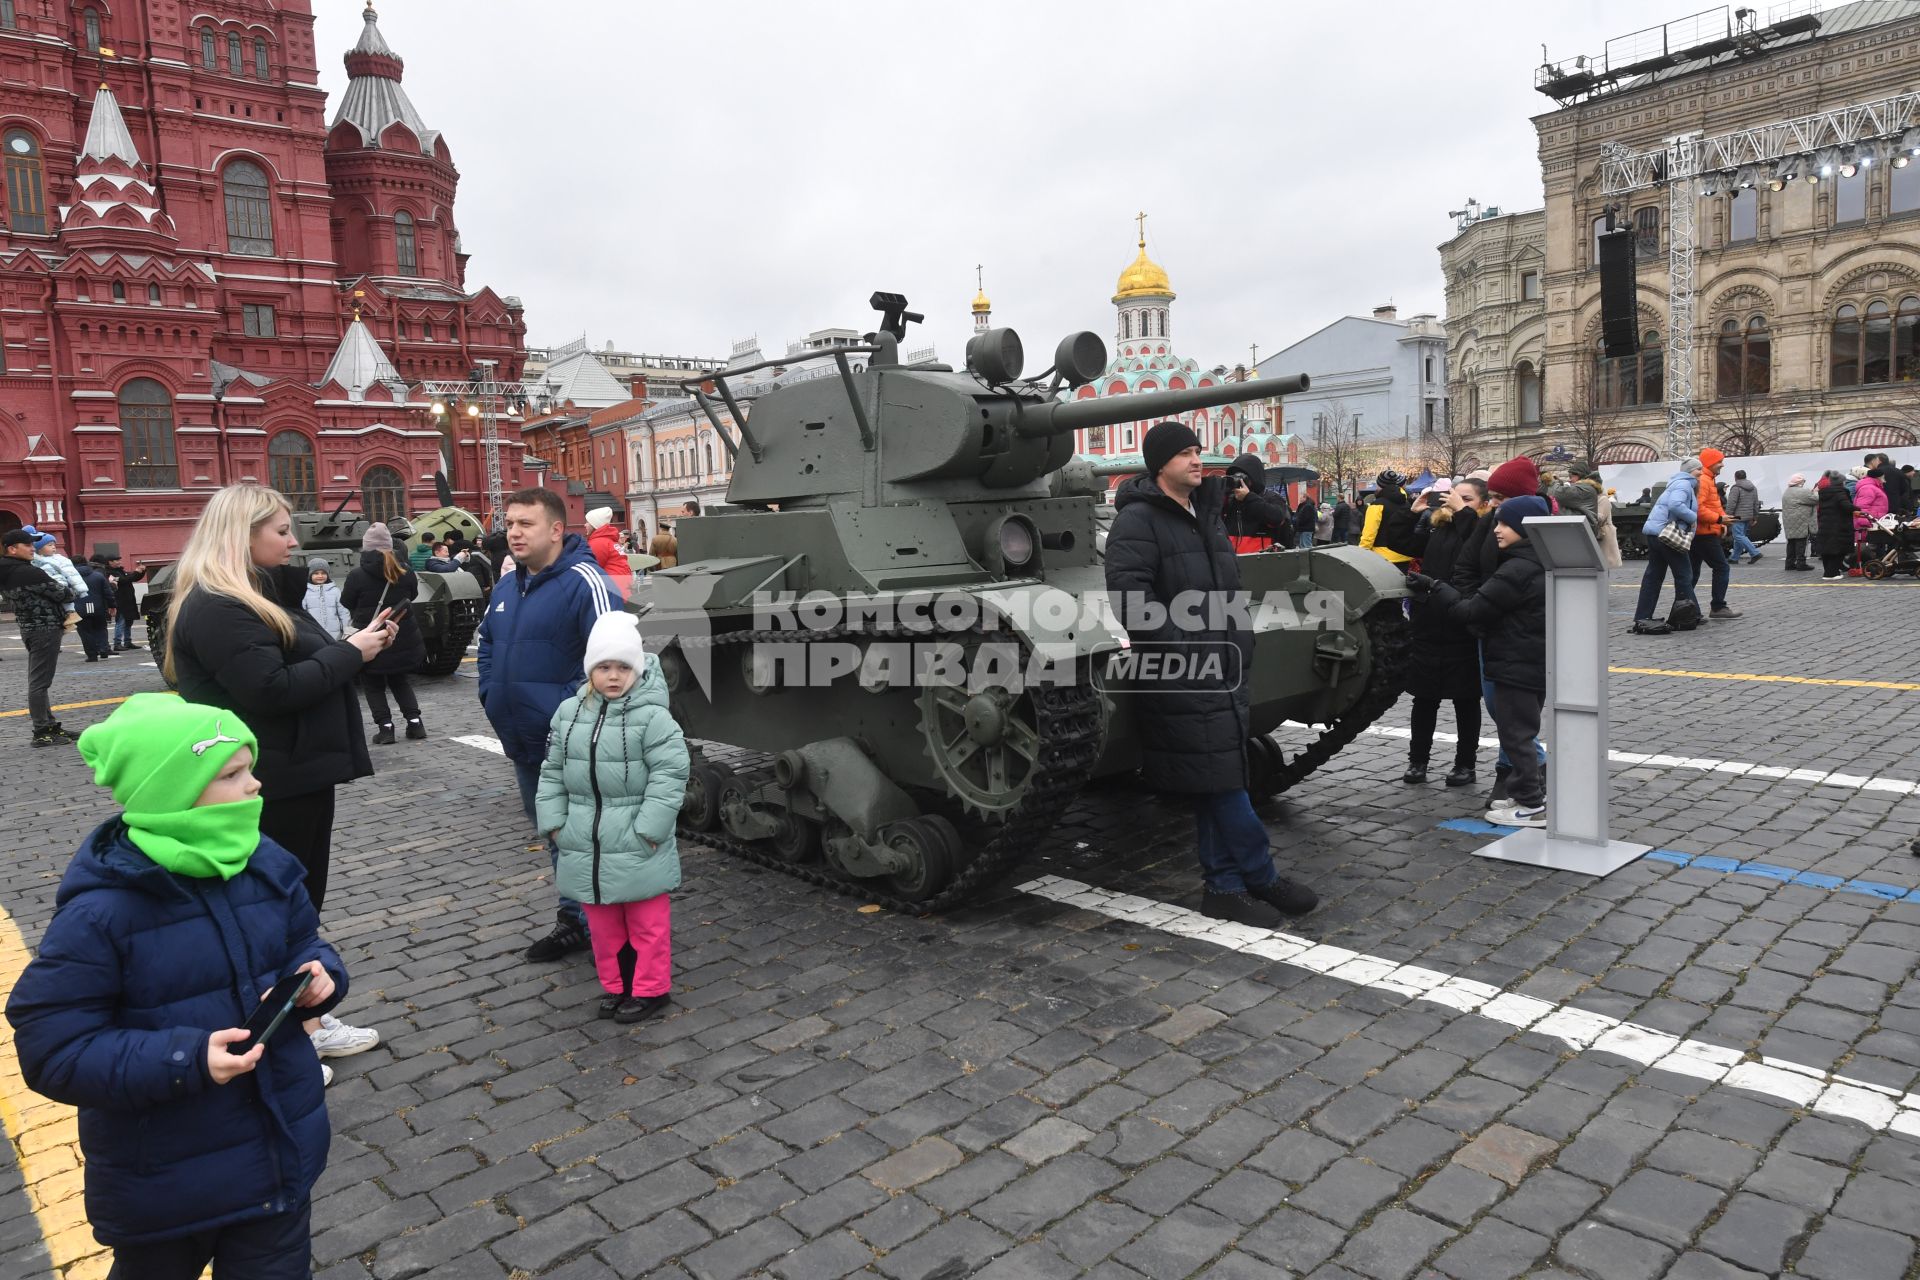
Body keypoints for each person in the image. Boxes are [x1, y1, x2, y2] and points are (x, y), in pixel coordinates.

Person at [5, 695, 348, 1275]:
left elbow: (304, 943)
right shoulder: (101, 914)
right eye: (233, 774)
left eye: (251, 767)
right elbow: (53, 1048)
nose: (255, 785)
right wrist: (184, 1060)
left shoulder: (263, 860)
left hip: (279, 1157)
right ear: (173, 794)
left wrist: (321, 978)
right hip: (165, 1185)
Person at [163, 484, 388, 1062]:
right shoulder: (219, 605)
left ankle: (306, 1020)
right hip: (267, 781)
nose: (293, 540)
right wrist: (351, 652)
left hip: (294, 774)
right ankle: (282, 1042)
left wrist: (349, 648)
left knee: (295, 907)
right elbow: (270, 689)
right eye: (281, 531)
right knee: (269, 913)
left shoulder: (251, 597)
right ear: (243, 534)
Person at [1104, 421, 1318, 928]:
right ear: (1160, 466)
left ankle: (1223, 887)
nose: (1198, 460)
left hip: (1222, 663)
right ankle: (1262, 875)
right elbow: (1131, 600)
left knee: (1217, 774)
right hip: (1184, 668)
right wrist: (1184, 648)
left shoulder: (1206, 513)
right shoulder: (1138, 521)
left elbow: (1229, 584)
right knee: (1224, 785)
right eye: (1184, 454)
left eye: (1198, 450)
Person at [478, 486, 622, 962]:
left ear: (557, 530)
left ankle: (611, 930)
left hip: (573, 742)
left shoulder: (586, 581)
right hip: (522, 740)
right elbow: (489, 649)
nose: (513, 533)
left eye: (526, 524)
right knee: (555, 833)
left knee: (589, 838)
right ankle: (576, 919)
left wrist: (565, 715)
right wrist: (490, 693)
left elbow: (612, 663)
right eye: (510, 524)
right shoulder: (506, 585)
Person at [537, 613, 688, 1023]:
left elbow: (670, 774)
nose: (614, 676)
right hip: (584, 841)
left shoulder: (654, 717)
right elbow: (552, 770)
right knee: (604, 929)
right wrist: (554, 822)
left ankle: (651, 990)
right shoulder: (569, 713)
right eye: (604, 667)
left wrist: (650, 829)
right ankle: (617, 987)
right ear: (591, 670)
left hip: (639, 842)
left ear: (637, 669)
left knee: (646, 927)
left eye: (624, 667)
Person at [1408, 495, 1551, 829]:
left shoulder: (1517, 568)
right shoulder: (1537, 561)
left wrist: (1436, 588)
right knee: (1520, 731)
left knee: (1516, 735)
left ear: (1523, 527)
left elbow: (1471, 610)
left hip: (1515, 661)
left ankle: (1532, 804)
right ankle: (1522, 794)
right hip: (1529, 660)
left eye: (1504, 523)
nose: (1496, 529)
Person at [1400, 479, 1482, 788]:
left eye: (1468, 499)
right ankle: (1417, 761)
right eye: (1454, 497)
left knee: (1466, 700)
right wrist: (1414, 512)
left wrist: (1464, 513)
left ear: (1481, 503)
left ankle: (1465, 765)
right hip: (1430, 620)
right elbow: (1406, 546)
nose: (1457, 503)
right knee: (1424, 698)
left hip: (1462, 621)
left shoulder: (1480, 527)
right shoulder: (1439, 526)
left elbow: (1475, 545)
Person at [341, 523, 429, 745]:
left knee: (373, 685)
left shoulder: (357, 575)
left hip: (371, 636)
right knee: (400, 680)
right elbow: (413, 594)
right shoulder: (406, 572)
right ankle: (415, 723)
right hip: (400, 635)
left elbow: (346, 601)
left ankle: (386, 728)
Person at [2, 529, 76, 746]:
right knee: (39, 682)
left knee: (39, 681)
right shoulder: (28, 572)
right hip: (45, 628)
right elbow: (65, 593)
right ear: (12, 549)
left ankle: (50, 725)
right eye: (28, 544)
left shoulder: (7, 570)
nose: (33, 548)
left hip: (29, 628)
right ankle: (41, 731)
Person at [1630, 458, 1703, 635]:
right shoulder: (1684, 485)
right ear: (1691, 471)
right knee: (1684, 574)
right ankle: (1686, 615)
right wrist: (1693, 519)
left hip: (1655, 534)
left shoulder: (1675, 483)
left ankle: (1643, 615)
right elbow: (1676, 505)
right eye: (1699, 469)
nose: (1701, 472)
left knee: (1653, 576)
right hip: (1667, 534)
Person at [1687, 448, 1741, 620]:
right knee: (1721, 567)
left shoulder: (1706, 479)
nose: (1722, 464)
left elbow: (1705, 507)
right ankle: (1718, 606)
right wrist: (1719, 519)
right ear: (1710, 463)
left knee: (1692, 572)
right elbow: (1699, 508)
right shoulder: (1704, 480)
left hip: (1703, 532)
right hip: (1704, 534)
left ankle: (1686, 605)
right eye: (1719, 461)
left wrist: (1720, 521)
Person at [1220, 453, 1291, 552]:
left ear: (1253, 478)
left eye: (1242, 477)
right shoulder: (1230, 500)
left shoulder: (1272, 498)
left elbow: (1277, 518)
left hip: (1261, 560)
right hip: (1232, 560)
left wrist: (1248, 498)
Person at [25, 528, 87, 628]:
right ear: (39, 549)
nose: (53, 547)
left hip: (60, 584)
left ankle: (71, 614)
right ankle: (69, 619)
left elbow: (72, 574)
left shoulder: (59, 559)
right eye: (49, 545)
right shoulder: (35, 560)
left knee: (65, 599)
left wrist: (81, 590)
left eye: (54, 545)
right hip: (47, 589)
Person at [1358, 471, 1418, 570]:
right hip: (1405, 556)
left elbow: (1369, 534)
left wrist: (1362, 554)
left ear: (1379, 484)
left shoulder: (1377, 505)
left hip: (1383, 557)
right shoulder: (1407, 504)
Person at [1816, 472, 1858, 579]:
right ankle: (1831, 573)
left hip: (1825, 523)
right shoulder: (1841, 492)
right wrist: (1857, 508)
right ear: (1841, 482)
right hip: (1839, 524)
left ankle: (1828, 572)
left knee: (1827, 549)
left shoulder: (1823, 492)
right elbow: (1846, 505)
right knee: (1838, 549)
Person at [585, 505, 635, 593]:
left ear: (594, 525)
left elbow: (590, 569)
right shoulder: (608, 541)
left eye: (587, 522)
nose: (585, 525)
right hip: (621, 587)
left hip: (612, 590)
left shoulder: (598, 542)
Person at [103, 552, 145, 650]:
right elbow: (124, 580)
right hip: (120, 600)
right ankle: (117, 643)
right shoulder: (109, 573)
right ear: (110, 562)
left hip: (128, 600)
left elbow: (132, 578)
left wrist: (141, 572)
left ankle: (127, 642)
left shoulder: (120, 571)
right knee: (121, 621)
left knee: (129, 621)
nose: (119, 562)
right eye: (117, 560)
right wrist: (136, 572)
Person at [75, 555, 113, 661]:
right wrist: (112, 605)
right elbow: (107, 592)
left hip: (79, 608)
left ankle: (92, 655)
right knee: (101, 628)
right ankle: (104, 649)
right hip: (98, 607)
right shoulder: (98, 575)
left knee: (85, 632)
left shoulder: (70, 577)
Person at [1550, 463, 1603, 537]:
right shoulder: (1587, 488)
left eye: (1571, 476)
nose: (1570, 479)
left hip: (1582, 530)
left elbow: (1557, 493)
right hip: (1581, 529)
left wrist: (1553, 482)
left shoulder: (1584, 489)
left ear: (1579, 475)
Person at [302, 559, 351, 640]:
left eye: (323, 573)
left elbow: (343, 612)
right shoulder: (305, 591)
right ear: (310, 575)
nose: (320, 576)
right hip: (314, 633)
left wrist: (347, 631)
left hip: (335, 635)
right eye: (316, 573)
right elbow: (302, 613)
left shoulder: (335, 591)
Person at [1724, 468, 1764, 564]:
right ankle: (1734, 558)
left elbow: (1731, 503)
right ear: (1745, 476)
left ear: (1735, 477)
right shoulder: (1753, 488)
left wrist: (1728, 515)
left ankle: (1755, 553)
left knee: (1738, 536)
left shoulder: (1736, 488)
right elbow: (1755, 503)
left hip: (1738, 516)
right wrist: (1755, 516)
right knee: (1741, 536)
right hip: (1748, 516)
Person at [1866, 452, 1911, 517]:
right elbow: (1905, 489)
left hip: (1879, 505)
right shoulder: (1899, 471)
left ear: (1879, 460)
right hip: (1895, 504)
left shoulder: (1875, 472)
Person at [1595, 485, 1623, 570]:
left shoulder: (1603, 499)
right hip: (1601, 529)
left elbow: (1601, 517)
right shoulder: (1608, 498)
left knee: (1605, 560)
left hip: (1603, 530)